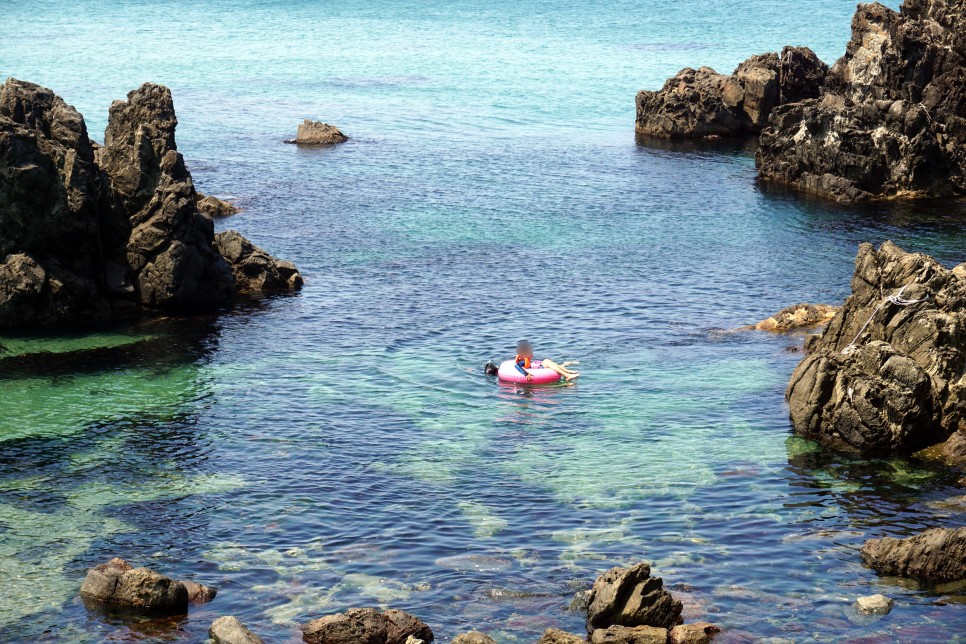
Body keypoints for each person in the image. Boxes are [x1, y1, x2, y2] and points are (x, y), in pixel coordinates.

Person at [514, 339, 579, 381]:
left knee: (548, 361)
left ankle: (567, 371)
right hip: (537, 370)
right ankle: (567, 375)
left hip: (536, 367)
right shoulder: (522, 360)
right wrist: (526, 374)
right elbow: (516, 366)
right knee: (547, 362)